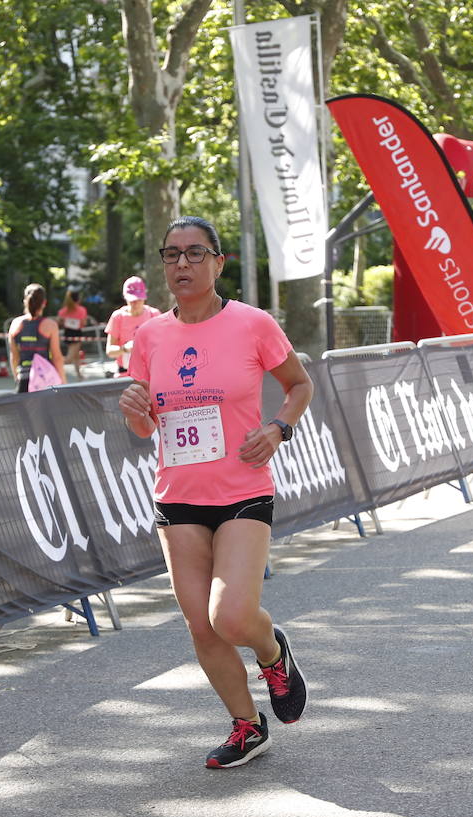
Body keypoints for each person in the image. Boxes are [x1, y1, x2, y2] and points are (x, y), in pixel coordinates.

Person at [117, 215, 314, 769]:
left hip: (242, 491)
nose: (182, 264)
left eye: (195, 253)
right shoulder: (149, 335)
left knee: (230, 616)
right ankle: (247, 726)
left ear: (219, 262)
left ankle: (273, 651)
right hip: (178, 495)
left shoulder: (252, 324)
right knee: (200, 625)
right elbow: (144, 426)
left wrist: (278, 429)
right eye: (171, 254)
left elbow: (300, 384)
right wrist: (134, 412)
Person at [8, 283, 66, 393]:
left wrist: (17, 377)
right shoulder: (50, 325)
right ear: (44, 303)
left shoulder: (15, 324)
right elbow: (56, 357)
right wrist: (63, 381)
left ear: (25, 301)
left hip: (24, 379)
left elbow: (14, 357)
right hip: (45, 379)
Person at [105, 276, 160, 377]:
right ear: (125, 298)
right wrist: (125, 348)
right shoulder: (118, 317)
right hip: (125, 374)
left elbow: (164, 344)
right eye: (131, 300)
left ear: (144, 298)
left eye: (138, 299)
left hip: (150, 373)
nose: (135, 303)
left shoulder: (154, 315)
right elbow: (109, 351)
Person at [57, 290, 91, 381]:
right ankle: (54, 367)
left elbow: (59, 321)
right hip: (76, 334)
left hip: (68, 333)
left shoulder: (64, 310)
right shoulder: (81, 310)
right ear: (78, 299)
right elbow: (83, 323)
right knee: (69, 358)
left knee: (76, 356)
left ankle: (79, 375)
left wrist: (66, 321)